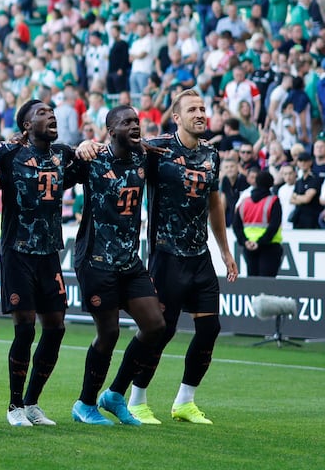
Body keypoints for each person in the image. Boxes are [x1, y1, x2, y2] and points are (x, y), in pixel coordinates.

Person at [126, 89, 239, 425]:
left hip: (200, 255)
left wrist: (225, 250)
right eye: (192, 109)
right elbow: (118, 154)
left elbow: (214, 203)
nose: (200, 113)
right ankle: (136, 400)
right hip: (166, 255)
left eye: (203, 108)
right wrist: (90, 146)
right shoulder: (156, 149)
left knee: (210, 328)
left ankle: (185, 401)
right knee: (162, 330)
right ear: (176, 117)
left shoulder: (211, 154)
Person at [0, 99, 79, 428]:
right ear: (26, 125)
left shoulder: (63, 154)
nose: (51, 115)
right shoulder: (10, 153)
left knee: (56, 328)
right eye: (42, 113)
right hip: (17, 252)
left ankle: (32, 402)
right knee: (24, 329)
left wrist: (90, 147)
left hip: (49, 254)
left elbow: (89, 161)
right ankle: (14, 406)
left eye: (52, 111)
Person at [68, 107, 166, 425]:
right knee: (108, 333)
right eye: (127, 122)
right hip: (95, 260)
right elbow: (58, 174)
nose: (135, 126)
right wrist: (79, 147)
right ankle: (85, 404)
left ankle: (114, 395)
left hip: (129, 261)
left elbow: (170, 147)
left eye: (137, 121)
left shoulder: (144, 157)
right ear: (111, 131)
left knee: (156, 326)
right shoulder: (93, 159)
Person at [233, 170, 283, 277]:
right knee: (267, 282)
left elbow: (236, 226)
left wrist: (244, 241)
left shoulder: (244, 202)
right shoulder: (273, 201)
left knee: (253, 281)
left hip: (249, 246)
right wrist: (260, 242)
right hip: (269, 246)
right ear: (271, 184)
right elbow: (274, 226)